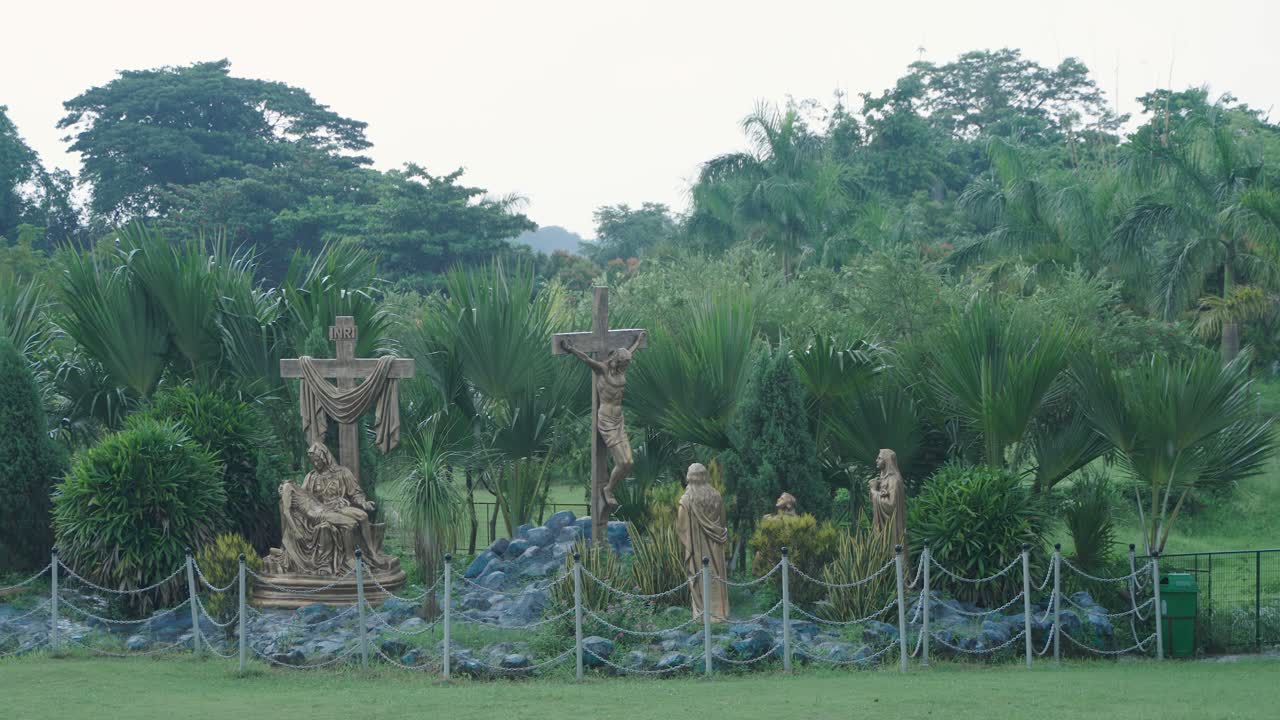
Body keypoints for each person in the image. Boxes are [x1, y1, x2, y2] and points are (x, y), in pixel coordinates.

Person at [265, 442, 396, 576]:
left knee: (363, 516)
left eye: (318, 461)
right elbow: (303, 498)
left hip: (340, 507)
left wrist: (364, 503)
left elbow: (355, 493)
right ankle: (349, 558)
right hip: (323, 510)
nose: (315, 464)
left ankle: (372, 553)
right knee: (349, 524)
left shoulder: (342, 473)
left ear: (325, 457)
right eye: (313, 462)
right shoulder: (311, 477)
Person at [560, 331, 645, 509]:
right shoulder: (603, 369)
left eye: (627, 364)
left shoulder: (622, 366)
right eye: (624, 363)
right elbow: (586, 360)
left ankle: (609, 488)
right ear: (617, 359)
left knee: (629, 462)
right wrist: (571, 349)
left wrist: (637, 341)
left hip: (618, 419)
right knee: (622, 462)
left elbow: (631, 350)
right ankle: (608, 490)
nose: (626, 366)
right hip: (606, 419)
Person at [677, 463, 730, 620]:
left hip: (698, 549)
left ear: (690, 477)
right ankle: (720, 613)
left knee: (700, 577)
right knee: (717, 576)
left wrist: (687, 542)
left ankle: (704, 615)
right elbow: (722, 521)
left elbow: (681, 526)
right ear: (705, 476)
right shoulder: (716, 496)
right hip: (716, 547)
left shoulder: (687, 500)